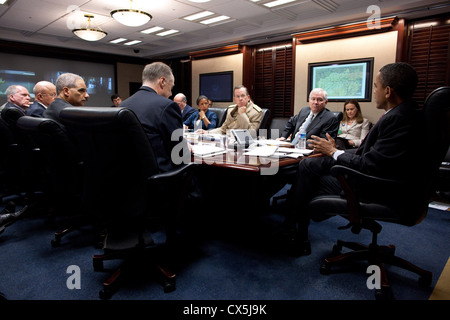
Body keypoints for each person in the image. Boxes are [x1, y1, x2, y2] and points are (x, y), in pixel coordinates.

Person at [275, 62, 421, 257]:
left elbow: (370, 165)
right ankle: (293, 230)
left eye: (375, 87)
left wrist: (334, 152)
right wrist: (334, 151)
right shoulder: (406, 113)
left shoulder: (398, 118)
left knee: (308, 172)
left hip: (374, 187)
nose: (374, 91)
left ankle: (293, 232)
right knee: (309, 166)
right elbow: (372, 157)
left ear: (387, 91)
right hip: (379, 179)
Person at [120, 61, 189, 173]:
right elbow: (179, 153)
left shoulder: (122, 106)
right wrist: (186, 147)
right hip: (161, 178)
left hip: (129, 176)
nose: (171, 94)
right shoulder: (167, 106)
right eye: (171, 87)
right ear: (162, 81)